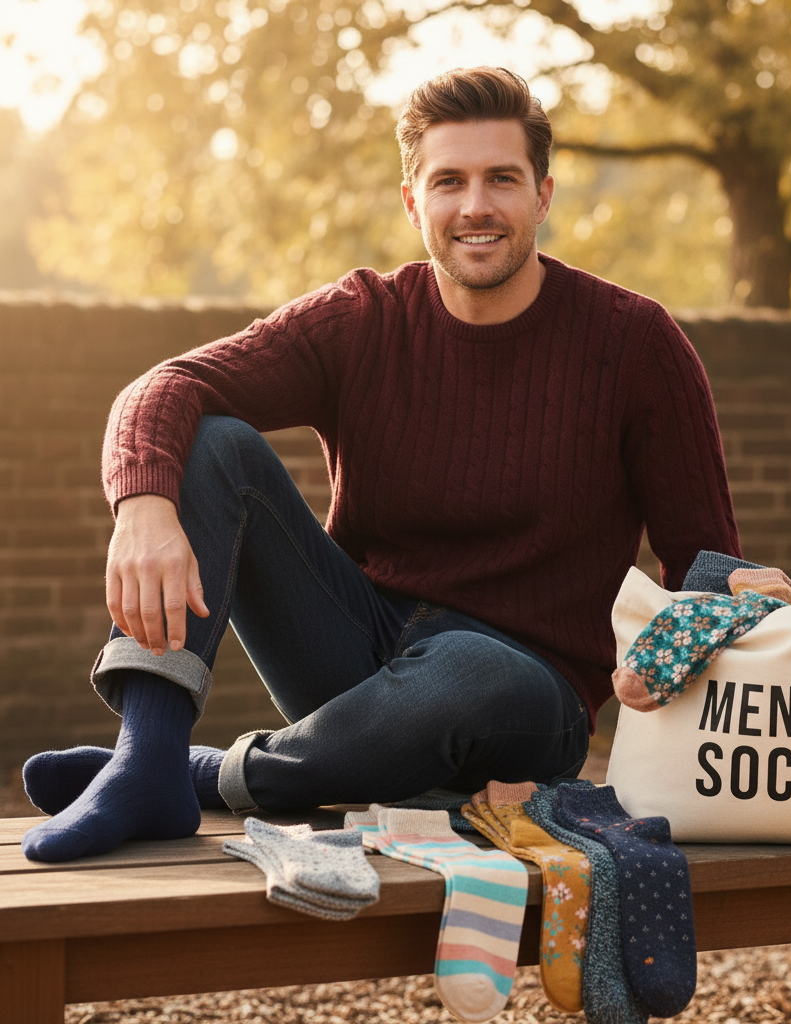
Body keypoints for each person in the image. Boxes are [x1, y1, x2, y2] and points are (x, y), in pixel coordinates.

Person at [21, 67, 741, 863]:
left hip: (528, 699)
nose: (476, 206)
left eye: (502, 178)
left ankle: (201, 775)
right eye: (449, 182)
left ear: (541, 195)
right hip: (361, 664)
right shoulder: (364, 318)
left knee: (471, 669)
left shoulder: (636, 343)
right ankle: (148, 751)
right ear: (413, 202)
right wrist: (143, 508)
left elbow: (705, 563)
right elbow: (168, 385)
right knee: (213, 442)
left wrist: (729, 604)